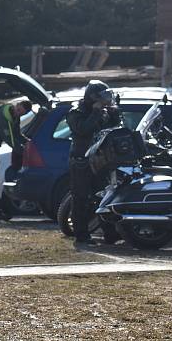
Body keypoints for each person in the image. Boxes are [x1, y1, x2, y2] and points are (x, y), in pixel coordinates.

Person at [66, 80, 122, 246]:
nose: (106, 99)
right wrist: (96, 112)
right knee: (81, 198)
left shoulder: (102, 111)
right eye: (102, 97)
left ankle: (110, 234)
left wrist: (114, 112)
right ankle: (81, 235)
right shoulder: (76, 112)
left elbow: (114, 126)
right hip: (81, 160)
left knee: (104, 197)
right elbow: (83, 129)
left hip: (100, 159)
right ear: (92, 97)